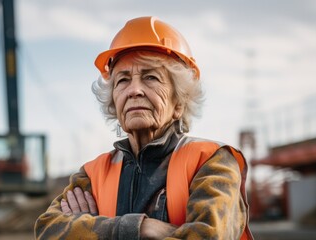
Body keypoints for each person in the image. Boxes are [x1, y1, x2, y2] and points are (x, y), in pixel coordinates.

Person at [35, 16, 253, 240]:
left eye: (150, 77)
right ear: (114, 101)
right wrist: (140, 228)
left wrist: (91, 230)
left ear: (179, 103)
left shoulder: (211, 162)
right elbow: (48, 230)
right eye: (122, 80)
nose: (134, 90)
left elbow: (208, 236)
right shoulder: (92, 174)